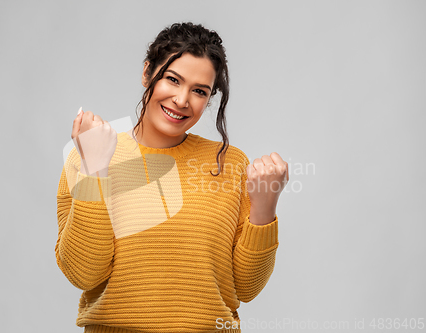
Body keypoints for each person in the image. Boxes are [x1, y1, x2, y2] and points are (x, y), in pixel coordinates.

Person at [56, 22, 289, 333]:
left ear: (209, 99)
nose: (182, 100)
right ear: (147, 72)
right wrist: (95, 168)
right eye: (172, 80)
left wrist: (265, 208)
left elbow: (246, 289)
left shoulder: (230, 163)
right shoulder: (87, 155)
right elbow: (83, 273)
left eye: (199, 91)